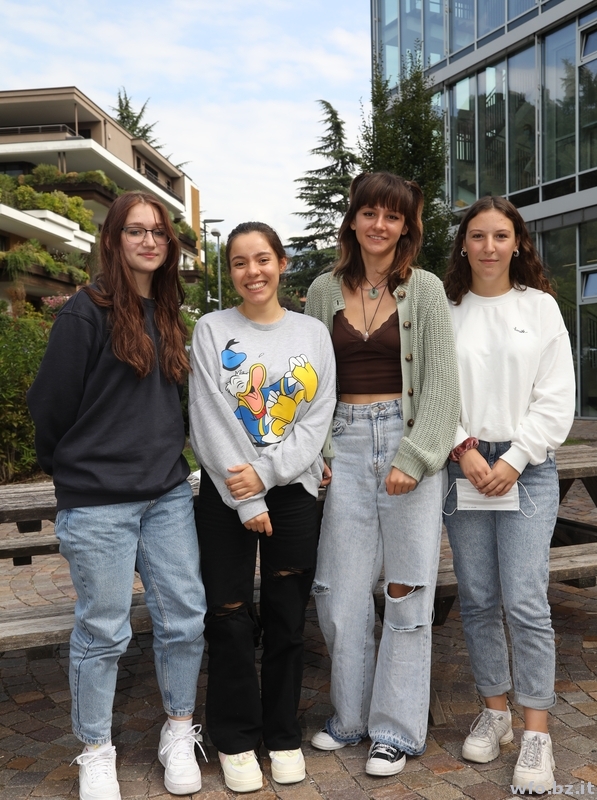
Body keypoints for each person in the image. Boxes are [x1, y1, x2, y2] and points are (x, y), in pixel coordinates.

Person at [27, 191, 207, 800]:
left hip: (166, 495)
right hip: (98, 503)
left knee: (185, 618)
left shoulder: (168, 312)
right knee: (104, 631)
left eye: (158, 231)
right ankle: (96, 750)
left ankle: (178, 731)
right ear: (114, 239)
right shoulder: (85, 313)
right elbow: (49, 407)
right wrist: (75, 470)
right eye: (136, 230)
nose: (149, 240)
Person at [304, 171, 460, 776]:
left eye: (392, 216)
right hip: (342, 443)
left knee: (407, 591)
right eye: (369, 212)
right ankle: (350, 718)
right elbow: (311, 383)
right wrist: (318, 451)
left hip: (406, 438)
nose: (379, 224)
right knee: (338, 594)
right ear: (353, 220)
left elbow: (443, 387)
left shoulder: (426, 290)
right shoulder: (322, 290)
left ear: (406, 227)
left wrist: (415, 457)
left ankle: (394, 731)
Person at [188, 222, 336, 792]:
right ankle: (235, 739)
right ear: (230, 271)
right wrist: (247, 495)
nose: (253, 272)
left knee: (286, 618)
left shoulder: (311, 333)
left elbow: (317, 416)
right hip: (226, 493)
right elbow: (207, 417)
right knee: (227, 615)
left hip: (294, 492)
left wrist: (270, 474)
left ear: (281, 263)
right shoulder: (211, 330)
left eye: (263, 259)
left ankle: (281, 734)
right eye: (240, 262)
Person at [443, 196, 575, 791]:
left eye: (501, 235)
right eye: (478, 235)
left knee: (524, 600)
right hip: (464, 465)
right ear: (463, 244)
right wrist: (464, 449)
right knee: (476, 598)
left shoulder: (540, 307)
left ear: (518, 242)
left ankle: (536, 734)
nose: (489, 246)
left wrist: (517, 457)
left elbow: (557, 395)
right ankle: (494, 712)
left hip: (529, 467)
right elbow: (430, 389)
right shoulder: (447, 309)